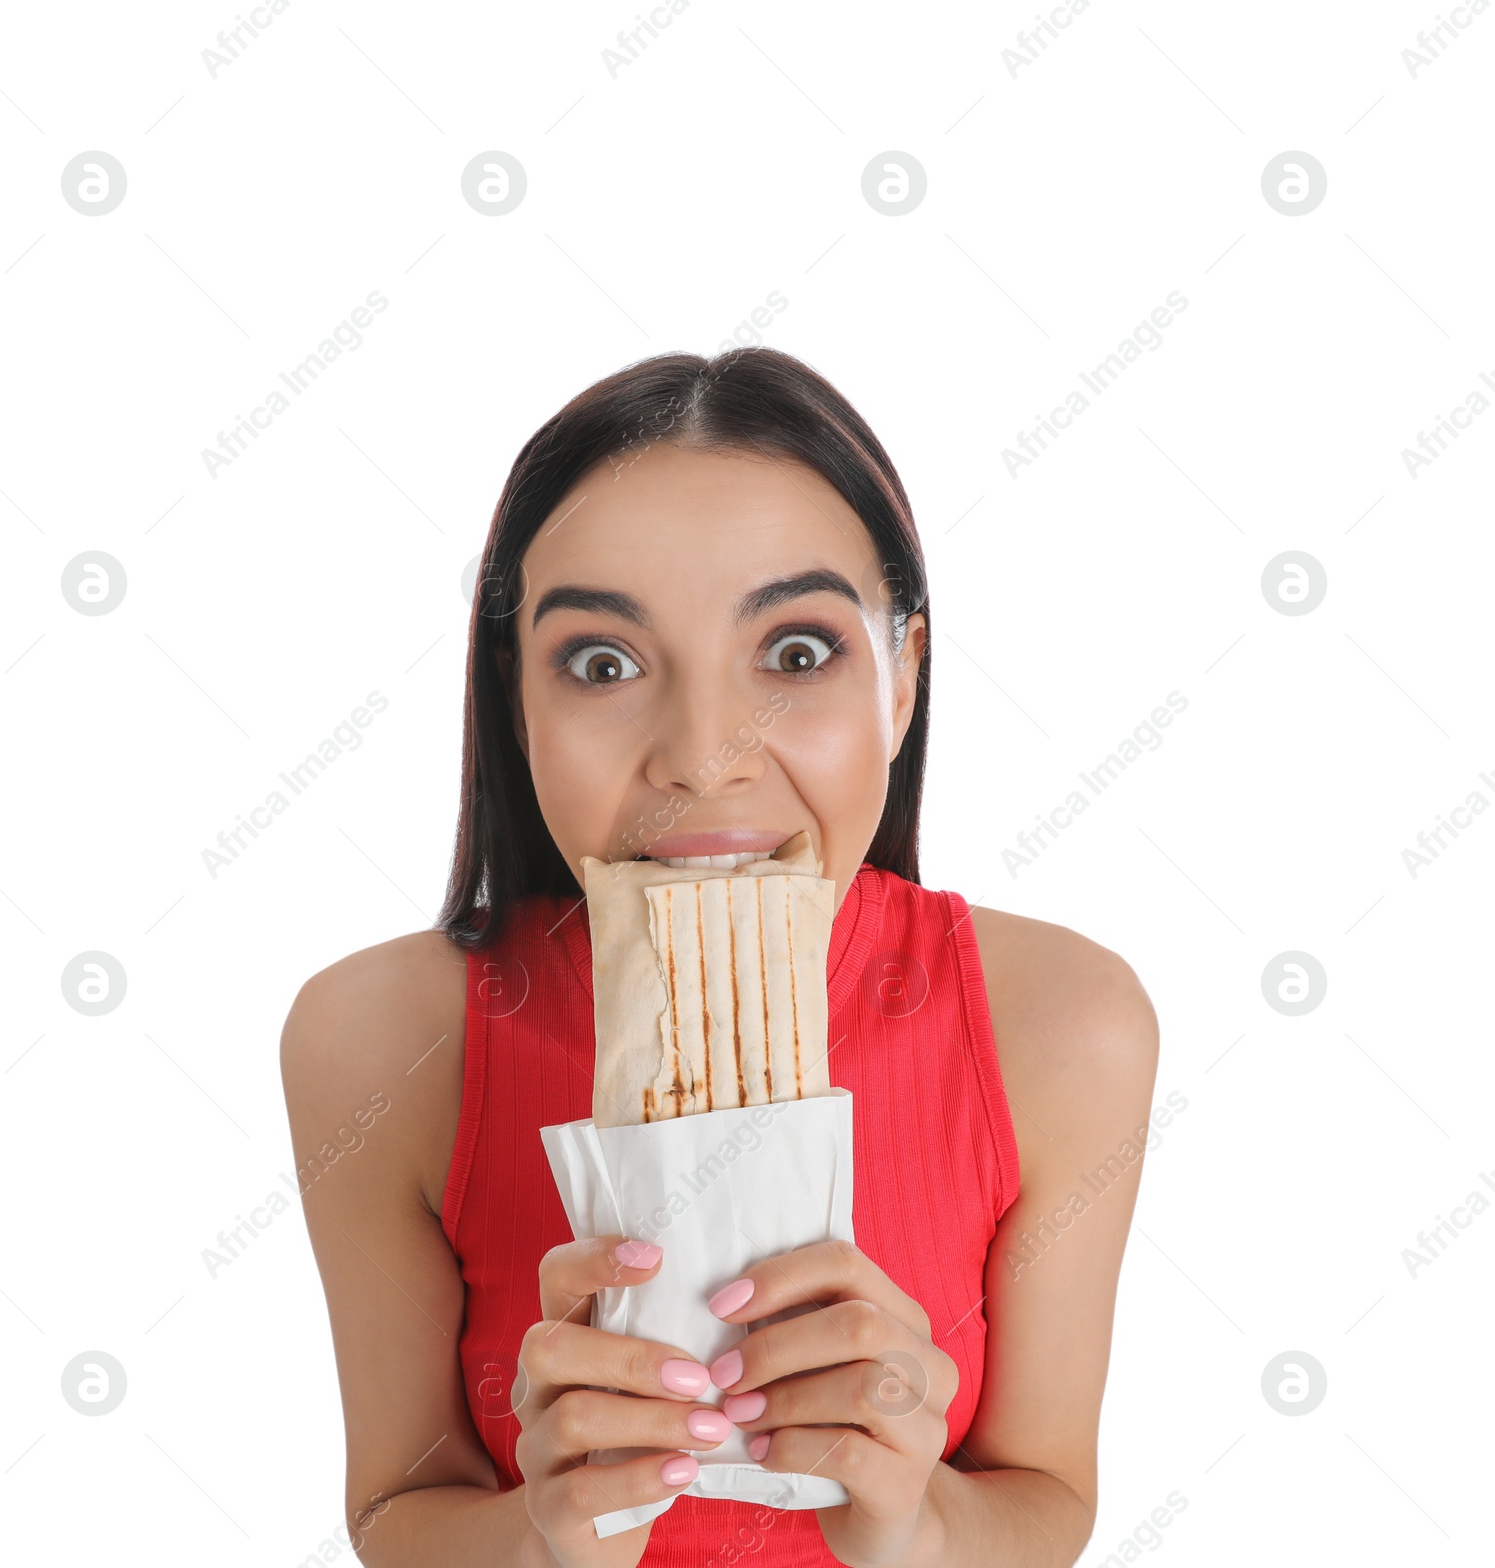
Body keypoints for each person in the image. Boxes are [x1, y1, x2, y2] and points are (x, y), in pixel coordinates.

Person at [280, 347, 1159, 1567]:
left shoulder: (1063, 1022)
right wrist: (546, 1538)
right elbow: (395, 1509)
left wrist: (916, 1515)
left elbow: (1047, 1493)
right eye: (602, 662)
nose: (702, 755)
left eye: (795, 653)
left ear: (903, 674)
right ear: (515, 699)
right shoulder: (375, 1035)